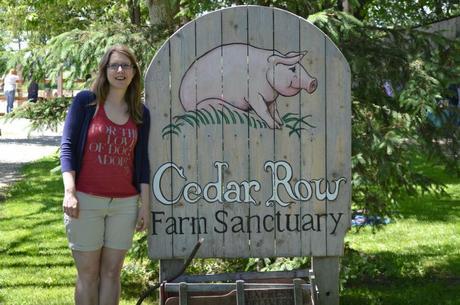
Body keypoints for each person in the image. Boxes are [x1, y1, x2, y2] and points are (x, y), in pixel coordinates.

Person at [60, 45, 151, 305]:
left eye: (126, 66)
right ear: (105, 70)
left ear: (134, 72)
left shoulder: (140, 113)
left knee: (112, 273)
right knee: (88, 275)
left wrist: (145, 205)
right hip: (85, 201)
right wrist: (70, 192)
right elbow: (66, 147)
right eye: (114, 65)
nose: (120, 70)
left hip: (124, 205)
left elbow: (142, 162)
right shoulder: (86, 102)